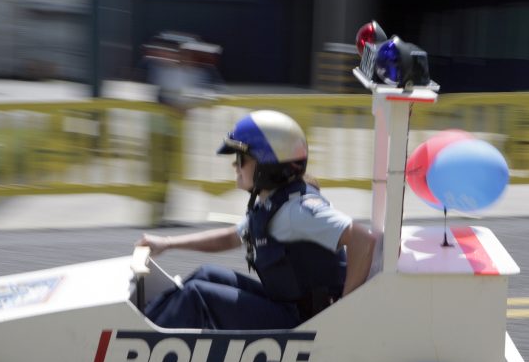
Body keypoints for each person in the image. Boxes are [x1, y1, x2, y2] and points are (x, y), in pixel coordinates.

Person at [136, 110, 376, 330]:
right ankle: (140, 323)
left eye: (241, 159)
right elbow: (232, 237)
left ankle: (135, 341)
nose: (234, 165)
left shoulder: (297, 211)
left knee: (197, 296)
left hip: (302, 321)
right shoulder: (273, 202)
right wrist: (168, 243)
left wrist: (345, 309)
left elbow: (362, 240)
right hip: (286, 305)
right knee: (205, 275)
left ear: (266, 164)